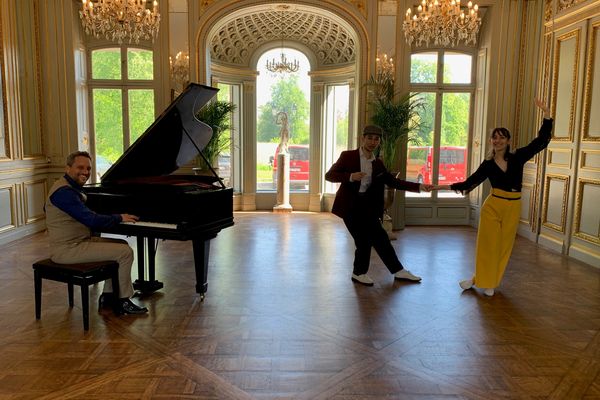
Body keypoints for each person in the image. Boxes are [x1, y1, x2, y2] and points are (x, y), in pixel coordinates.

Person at [433, 98, 552, 296]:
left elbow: (540, 142)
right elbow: (468, 183)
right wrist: (440, 186)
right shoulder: (487, 164)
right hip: (493, 205)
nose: (497, 141)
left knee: (504, 247)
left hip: (513, 206)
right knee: (487, 246)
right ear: (491, 141)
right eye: (494, 138)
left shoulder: (518, 157)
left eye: (501, 137)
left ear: (508, 140)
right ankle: (483, 280)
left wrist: (546, 114)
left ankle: (481, 280)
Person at [325, 125, 432, 286]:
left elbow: (393, 181)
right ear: (362, 139)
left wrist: (418, 187)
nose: (373, 142)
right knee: (363, 241)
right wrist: (350, 176)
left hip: (368, 207)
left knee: (381, 239)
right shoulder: (348, 156)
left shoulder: (378, 164)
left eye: (376, 139)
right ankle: (358, 273)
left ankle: (398, 271)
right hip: (350, 207)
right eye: (369, 138)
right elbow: (330, 175)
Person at [44, 151, 148, 314]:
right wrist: (119, 217)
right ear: (68, 168)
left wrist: (111, 218)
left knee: (122, 244)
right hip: (67, 249)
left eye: (89, 168)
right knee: (125, 252)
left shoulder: (70, 187)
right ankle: (123, 301)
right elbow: (91, 220)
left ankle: (108, 296)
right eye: (80, 167)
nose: (85, 172)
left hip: (78, 242)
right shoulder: (64, 192)